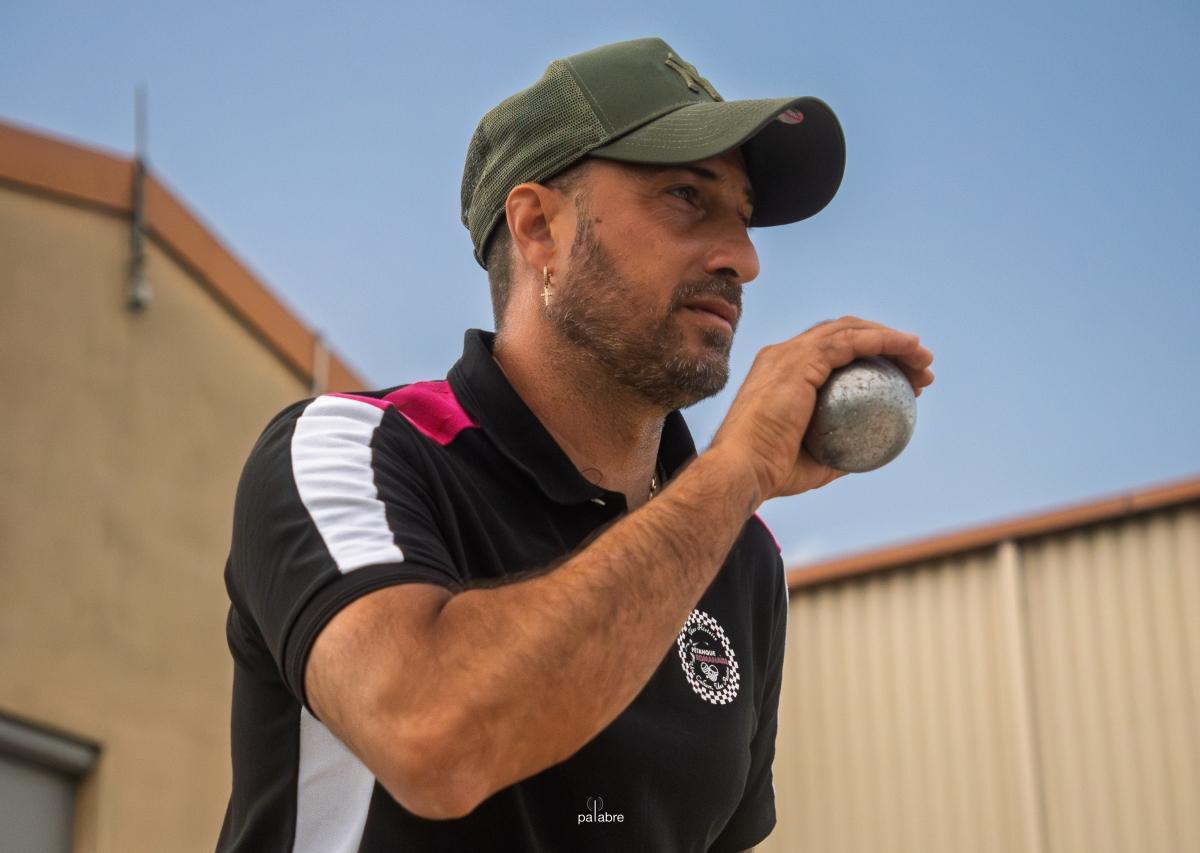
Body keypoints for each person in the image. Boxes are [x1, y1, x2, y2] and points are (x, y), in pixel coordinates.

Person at [216, 37, 934, 853]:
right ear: (539, 228)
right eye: (686, 197)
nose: (743, 258)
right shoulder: (356, 449)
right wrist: (737, 469)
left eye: (741, 215)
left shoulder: (743, 555)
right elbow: (431, 735)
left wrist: (727, 491)